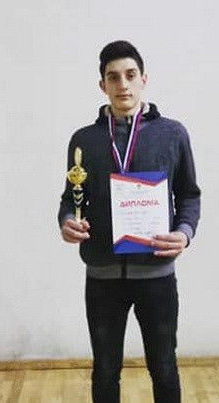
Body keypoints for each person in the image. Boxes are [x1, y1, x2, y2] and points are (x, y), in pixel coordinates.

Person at [58, 40, 201, 403]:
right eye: (113, 77)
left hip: (157, 274)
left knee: (164, 367)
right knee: (105, 370)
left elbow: (189, 195)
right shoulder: (84, 140)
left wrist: (184, 234)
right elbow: (71, 198)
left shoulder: (172, 134)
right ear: (102, 85)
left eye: (130, 75)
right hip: (102, 277)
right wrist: (68, 221)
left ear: (144, 79)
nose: (122, 84)